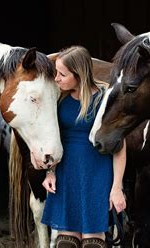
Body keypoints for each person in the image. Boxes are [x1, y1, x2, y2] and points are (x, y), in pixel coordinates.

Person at [41, 46, 127, 248]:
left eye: (62, 74)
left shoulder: (105, 98)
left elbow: (120, 148)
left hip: (98, 174)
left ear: (78, 74)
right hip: (66, 174)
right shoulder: (58, 98)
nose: (57, 79)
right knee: (66, 243)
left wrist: (116, 188)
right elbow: (51, 139)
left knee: (92, 243)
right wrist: (50, 172)